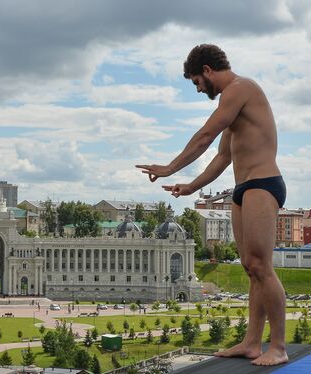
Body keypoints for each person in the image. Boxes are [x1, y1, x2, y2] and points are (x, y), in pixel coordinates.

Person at [136, 44, 288, 366]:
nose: (197, 88)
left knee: (262, 266)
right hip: (243, 188)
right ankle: (251, 343)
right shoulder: (231, 104)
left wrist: (168, 167)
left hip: (263, 184)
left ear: (207, 69)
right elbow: (222, 156)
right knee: (250, 268)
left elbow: (205, 135)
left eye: (196, 82)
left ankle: (278, 346)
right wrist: (191, 186)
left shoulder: (240, 88)